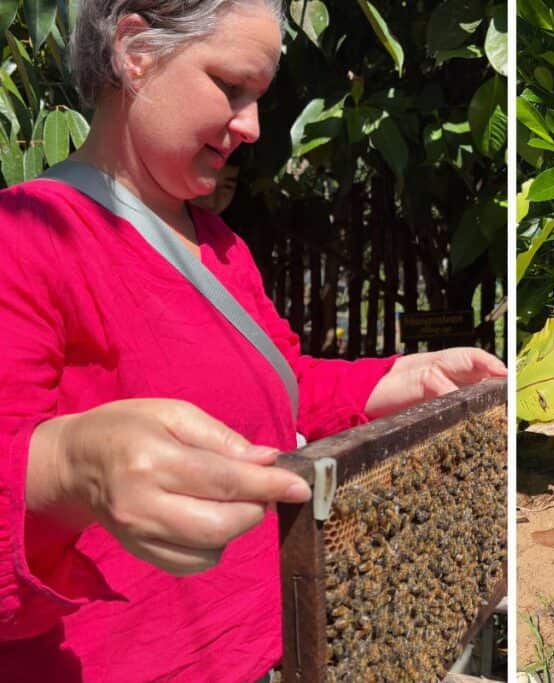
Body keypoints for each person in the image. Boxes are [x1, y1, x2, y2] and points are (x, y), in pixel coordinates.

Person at [0, 0, 506, 680]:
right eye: (231, 88)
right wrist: (69, 465)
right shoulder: (26, 235)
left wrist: (402, 379)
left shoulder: (221, 246)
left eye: (259, 97)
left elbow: (279, 396)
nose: (252, 126)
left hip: (271, 653)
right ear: (135, 51)